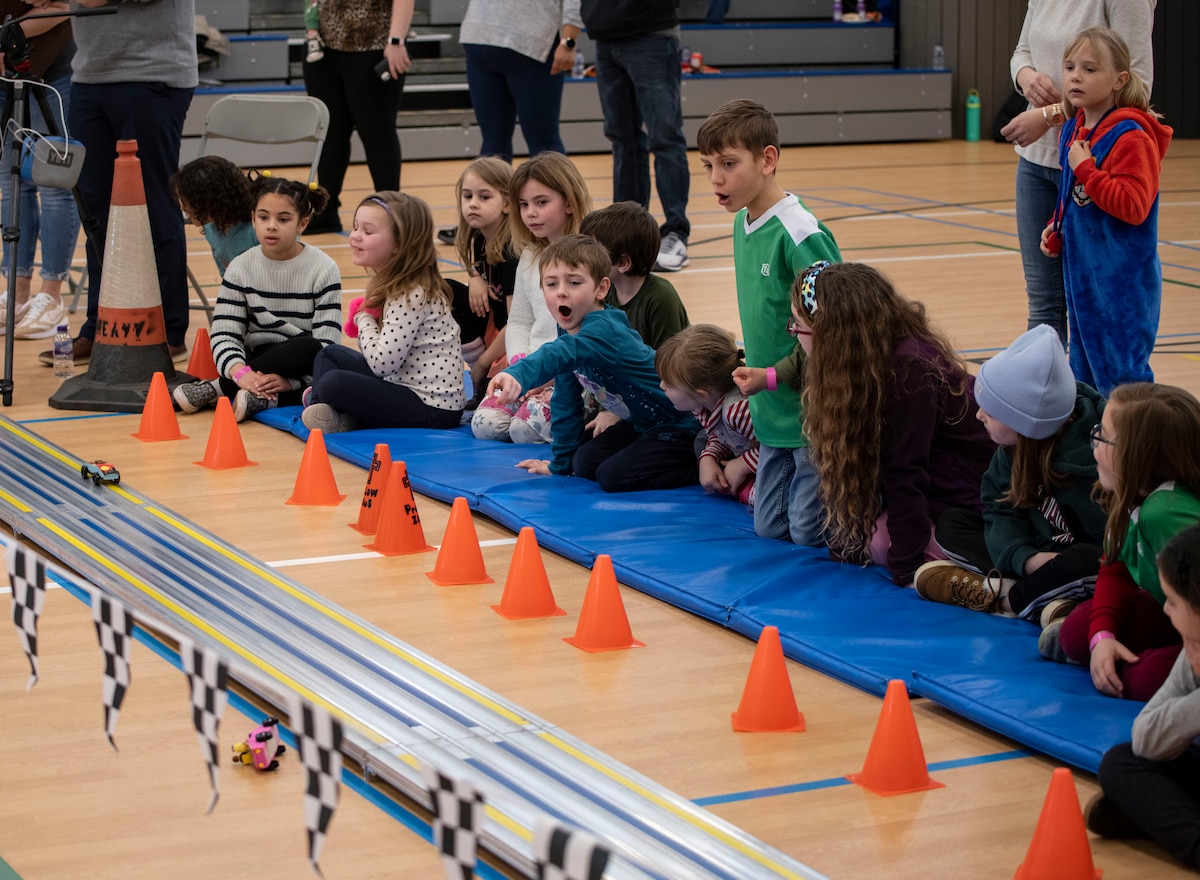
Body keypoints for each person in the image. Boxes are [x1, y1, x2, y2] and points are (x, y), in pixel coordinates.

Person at [782, 260, 995, 585]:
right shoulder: (870, 359)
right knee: (858, 538)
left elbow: (906, 472)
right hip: (944, 487)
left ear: (833, 334)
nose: (795, 334)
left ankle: (965, 575)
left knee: (880, 542)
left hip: (975, 496)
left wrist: (906, 569)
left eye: (798, 325)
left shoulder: (910, 373)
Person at [696, 98, 841, 546]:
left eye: (728, 163)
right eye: (707, 166)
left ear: (768, 160)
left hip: (812, 411)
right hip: (771, 410)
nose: (716, 178)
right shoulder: (743, 222)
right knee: (771, 527)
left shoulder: (799, 233)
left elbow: (836, 325)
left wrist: (776, 374)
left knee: (806, 533)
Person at [30, 0, 197, 367]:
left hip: (153, 73)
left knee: (154, 205)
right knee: (94, 212)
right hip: (89, 77)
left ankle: (168, 331)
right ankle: (99, 325)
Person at [915, 325, 1106, 618]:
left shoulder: (1095, 461)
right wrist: (1026, 559)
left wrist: (1048, 563)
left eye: (990, 412)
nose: (979, 415)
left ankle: (1005, 601)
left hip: (1077, 560)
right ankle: (1047, 598)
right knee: (952, 525)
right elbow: (998, 507)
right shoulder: (1011, 450)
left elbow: (1108, 545)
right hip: (1037, 551)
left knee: (1086, 560)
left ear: (1025, 423)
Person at [487, 234, 697, 493]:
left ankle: (701, 463)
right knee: (583, 462)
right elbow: (565, 399)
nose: (561, 291)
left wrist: (517, 374)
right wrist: (559, 464)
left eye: (574, 282)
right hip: (641, 425)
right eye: (551, 284)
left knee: (611, 477)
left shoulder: (604, 330)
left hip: (680, 424)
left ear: (601, 288)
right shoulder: (567, 328)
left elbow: (559, 353)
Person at [999, 1, 1154, 346]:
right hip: (1036, 162)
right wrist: (1027, 79)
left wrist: (1049, 115)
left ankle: (1099, 397)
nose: (1074, 73)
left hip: (1096, 166)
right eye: (1070, 67)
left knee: (1094, 304)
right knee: (1043, 303)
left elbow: (1137, 88)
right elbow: (1022, 51)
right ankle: (1045, 398)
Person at [1042, 383, 1200, 703]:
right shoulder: (1130, 496)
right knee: (1079, 633)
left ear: (1139, 457)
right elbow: (1116, 568)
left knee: (1142, 679)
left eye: (1103, 437)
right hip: (1179, 615)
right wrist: (1102, 636)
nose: (1094, 444)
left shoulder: (1166, 513)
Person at [1039, 27, 1171, 396]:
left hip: (1122, 284)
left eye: (1090, 69)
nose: (1075, 76)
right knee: (1083, 377)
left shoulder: (1132, 137)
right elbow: (1073, 195)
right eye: (1069, 67)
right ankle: (1095, 451)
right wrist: (1056, 226)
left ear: (1120, 80)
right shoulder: (1074, 128)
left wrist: (1086, 169)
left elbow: (1133, 207)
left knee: (1122, 382)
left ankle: (1136, 451)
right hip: (1081, 278)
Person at [171, 175, 341, 422]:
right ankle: (257, 395)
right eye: (263, 217)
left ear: (302, 224)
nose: (271, 226)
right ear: (252, 219)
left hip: (305, 360)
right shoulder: (240, 267)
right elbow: (225, 333)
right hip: (256, 357)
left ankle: (219, 389)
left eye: (283, 219)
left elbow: (327, 343)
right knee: (251, 352)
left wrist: (290, 381)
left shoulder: (324, 268)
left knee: (312, 351)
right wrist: (240, 373)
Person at [302, 192, 464, 433]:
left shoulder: (409, 294)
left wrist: (363, 318)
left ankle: (333, 409)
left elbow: (381, 364)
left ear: (399, 244)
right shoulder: (396, 283)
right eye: (355, 227)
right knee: (330, 355)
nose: (355, 236)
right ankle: (328, 411)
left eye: (368, 231)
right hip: (401, 383)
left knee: (332, 383)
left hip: (432, 409)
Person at [1087, 521, 1200, 869]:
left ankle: (1171, 827)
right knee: (1121, 763)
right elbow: (1146, 737)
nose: (1165, 609)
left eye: (1172, 601)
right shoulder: (1191, 650)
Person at [471, 151, 591, 444]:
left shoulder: (591, 257)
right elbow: (520, 321)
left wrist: (545, 377)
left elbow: (587, 338)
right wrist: (522, 367)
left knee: (524, 431)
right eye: (524, 205)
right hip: (532, 369)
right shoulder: (530, 255)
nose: (530, 213)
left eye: (541, 202)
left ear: (570, 204)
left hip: (570, 375)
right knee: (484, 424)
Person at [578, 0, 691, 272]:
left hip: (651, 34)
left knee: (664, 138)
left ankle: (675, 233)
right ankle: (626, 235)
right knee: (623, 140)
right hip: (605, 37)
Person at [0, 0, 79, 340]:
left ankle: (51, 294)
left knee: (54, 184)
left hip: (52, 69)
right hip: (5, 70)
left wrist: (5, 36)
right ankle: (17, 293)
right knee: (11, 181)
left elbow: (62, 5)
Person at [302, 0, 413, 235]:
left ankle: (391, 211)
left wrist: (396, 41)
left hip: (374, 47)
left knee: (377, 133)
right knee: (331, 134)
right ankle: (325, 209)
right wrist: (311, 29)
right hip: (325, 48)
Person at [458, 0, 581, 164]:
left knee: (494, 146)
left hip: (480, 34)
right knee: (544, 144)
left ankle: (490, 188)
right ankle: (556, 189)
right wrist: (568, 42)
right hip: (528, 40)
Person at [655, 324, 756, 506]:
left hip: (776, 458)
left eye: (669, 385)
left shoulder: (737, 412)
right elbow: (719, 435)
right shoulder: (701, 406)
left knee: (766, 505)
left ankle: (749, 486)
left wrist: (742, 464)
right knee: (701, 443)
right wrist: (707, 457)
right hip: (745, 447)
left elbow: (782, 447)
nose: (662, 386)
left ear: (701, 394)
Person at [451, 156, 519, 410]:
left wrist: (483, 363)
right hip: (495, 329)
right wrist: (475, 277)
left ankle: (487, 372)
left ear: (508, 204)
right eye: (467, 197)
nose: (473, 204)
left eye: (484, 197)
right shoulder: (481, 239)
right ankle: (483, 374)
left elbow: (516, 323)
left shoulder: (513, 253)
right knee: (445, 290)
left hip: (513, 339)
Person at [579, 201, 688, 351]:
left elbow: (670, 362)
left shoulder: (661, 297)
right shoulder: (605, 289)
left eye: (594, 252)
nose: (586, 258)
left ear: (623, 263)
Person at [169, 157, 257, 276]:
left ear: (210, 200)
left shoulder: (256, 231)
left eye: (186, 200)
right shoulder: (210, 230)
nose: (182, 207)